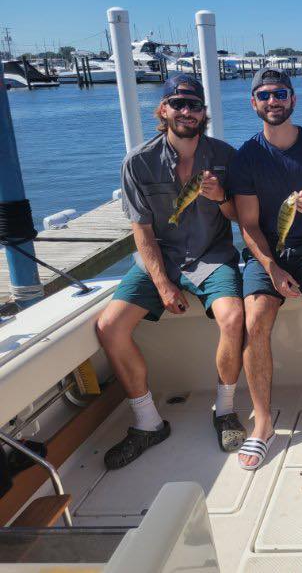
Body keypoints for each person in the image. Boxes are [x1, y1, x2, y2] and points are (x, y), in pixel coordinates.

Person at [96, 74, 245, 469]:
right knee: (109, 327)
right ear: (163, 110)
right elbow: (141, 230)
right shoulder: (138, 162)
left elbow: (239, 217)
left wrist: (223, 198)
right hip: (158, 259)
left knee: (233, 317)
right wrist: (162, 284)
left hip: (213, 256)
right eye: (177, 104)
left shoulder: (227, 157)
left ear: (203, 113)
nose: (186, 111)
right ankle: (147, 423)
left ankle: (225, 411)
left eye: (193, 105)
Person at [228, 69, 302, 469]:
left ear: (293, 99)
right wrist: (272, 268)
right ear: (254, 104)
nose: (273, 101)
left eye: (280, 93)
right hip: (267, 251)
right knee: (255, 321)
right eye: (264, 96)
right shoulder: (246, 156)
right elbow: (247, 225)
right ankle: (262, 423)